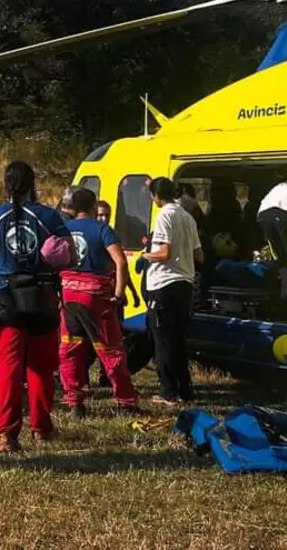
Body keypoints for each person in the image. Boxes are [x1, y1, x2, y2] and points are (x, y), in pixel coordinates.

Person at [0, 161, 74, 451]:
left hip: (7, 297)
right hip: (42, 296)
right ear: (33, 184)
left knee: (8, 368)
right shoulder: (49, 216)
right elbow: (69, 255)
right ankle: (41, 428)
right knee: (41, 367)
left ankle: (6, 434)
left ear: (5, 184)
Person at [58, 188, 140, 416]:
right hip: (95, 296)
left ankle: (74, 402)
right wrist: (119, 293)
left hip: (68, 296)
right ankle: (126, 402)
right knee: (111, 350)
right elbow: (120, 262)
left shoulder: (63, 228)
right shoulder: (102, 229)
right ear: (94, 206)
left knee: (70, 349)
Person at [140, 176, 203, 408]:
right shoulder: (187, 217)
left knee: (163, 341)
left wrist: (145, 255)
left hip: (163, 285)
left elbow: (164, 253)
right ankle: (185, 390)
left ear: (157, 196)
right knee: (178, 340)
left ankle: (168, 392)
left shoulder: (164, 216)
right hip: (184, 284)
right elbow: (199, 255)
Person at [256, 179, 287, 299]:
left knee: (278, 254)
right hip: (283, 211)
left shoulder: (281, 186)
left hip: (263, 214)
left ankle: (284, 288)